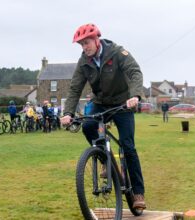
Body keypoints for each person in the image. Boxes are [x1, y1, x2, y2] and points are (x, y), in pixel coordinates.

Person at [60, 23, 146, 209]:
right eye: (81, 44)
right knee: (88, 126)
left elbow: (134, 72)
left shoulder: (116, 52)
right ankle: (104, 160)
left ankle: (138, 193)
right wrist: (68, 113)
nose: (85, 47)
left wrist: (135, 95)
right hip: (100, 102)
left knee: (128, 146)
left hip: (123, 103)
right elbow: (75, 88)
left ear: (97, 39)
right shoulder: (84, 62)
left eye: (87, 42)